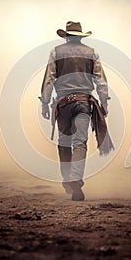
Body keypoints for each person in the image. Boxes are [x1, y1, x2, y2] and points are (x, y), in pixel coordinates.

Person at [39, 21, 114, 201]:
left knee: (64, 142)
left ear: (66, 36)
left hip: (63, 104)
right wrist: (104, 103)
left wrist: (45, 103)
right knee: (80, 143)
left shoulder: (56, 52)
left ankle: (67, 179)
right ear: (80, 37)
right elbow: (101, 82)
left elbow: (49, 80)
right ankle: (76, 180)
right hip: (83, 103)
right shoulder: (91, 53)